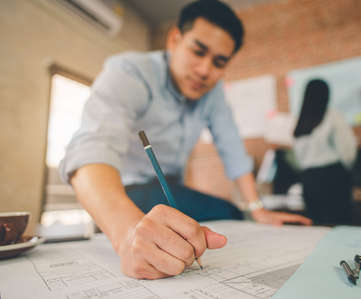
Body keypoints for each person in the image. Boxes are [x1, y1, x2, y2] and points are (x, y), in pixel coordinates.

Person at [59, 0, 311, 280]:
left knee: (229, 211)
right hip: (122, 193)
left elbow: (232, 149)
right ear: (175, 39)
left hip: (170, 189)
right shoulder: (130, 71)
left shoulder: (211, 93)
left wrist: (257, 209)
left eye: (219, 62)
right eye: (198, 51)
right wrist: (128, 235)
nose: (205, 70)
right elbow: (90, 150)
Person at [291, 79, 358, 224]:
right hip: (333, 176)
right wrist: (348, 170)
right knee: (340, 224)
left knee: (316, 224)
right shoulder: (332, 115)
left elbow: (298, 157)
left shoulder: (300, 121)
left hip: (309, 179)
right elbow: (347, 148)